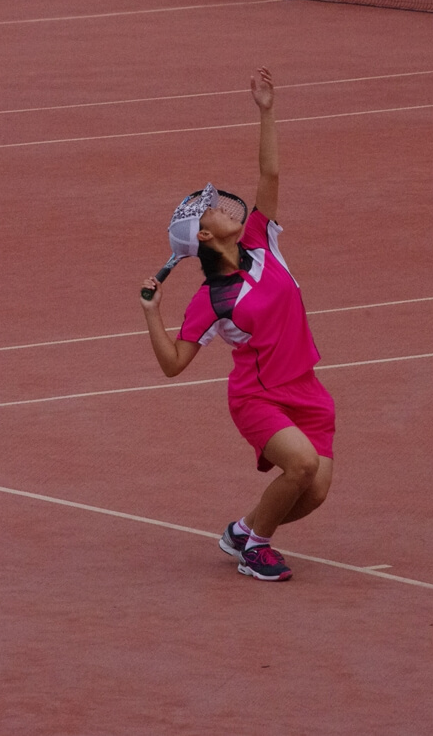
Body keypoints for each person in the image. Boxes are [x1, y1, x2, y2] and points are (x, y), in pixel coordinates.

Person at [140, 68, 335, 581]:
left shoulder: (260, 241)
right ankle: (256, 551)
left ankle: (243, 530)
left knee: (314, 490)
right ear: (204, 237)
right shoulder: (211, 299)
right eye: (211, 211)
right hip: (257, 398)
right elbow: (173, 365)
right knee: (301, 465)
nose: (224, 207)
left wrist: (267, 111)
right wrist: (152, 315)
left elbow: (270, 175)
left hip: (307, 389)